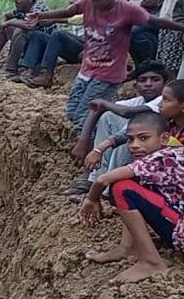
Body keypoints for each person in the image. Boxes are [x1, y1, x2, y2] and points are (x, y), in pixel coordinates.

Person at [25, 0, 184, 132]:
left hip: (108, 73)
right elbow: (69, 11)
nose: (93, 4)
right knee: (72, 110)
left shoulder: (128, 10)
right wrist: (41, 16)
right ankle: (94, 133)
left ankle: (89, 148)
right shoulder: (88, 1)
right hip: (86, 69)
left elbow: (159, 22)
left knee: (83, 116)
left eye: (98, 0)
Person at [80, 112, 184, 284]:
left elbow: (103, 179)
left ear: (164, 138)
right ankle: (127, 247)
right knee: (130, 182)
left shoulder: (160, 158)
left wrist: (91, 199)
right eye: (130, 140)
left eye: (143, 138)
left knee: (121, 189)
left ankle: (151, 262)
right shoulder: (171, 152)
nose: (134, 145)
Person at [67, 61, 167, 202]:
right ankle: (95, 177)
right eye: (143, 80)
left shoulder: (163, 101)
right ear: (136, 85)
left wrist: (103, 103)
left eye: (155, 79)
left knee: (129, 137)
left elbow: (126, 112)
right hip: (142, 149)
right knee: (109, 117)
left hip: (161, 151)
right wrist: (83, 141)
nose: (148, 84)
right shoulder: (139, 101)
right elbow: (98, 109)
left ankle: (106, 191)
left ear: (165, 84)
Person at [13, 0, 88, 83]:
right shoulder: (77, 12)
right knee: (38, 35)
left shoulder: (91, 12)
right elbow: (69, 16)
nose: (71, 1)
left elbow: (74, 18)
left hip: (84, 51)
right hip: (76, 47)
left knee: (58, 34)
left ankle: (47, 76)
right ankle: (29, 70)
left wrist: (52, 19)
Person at [130, 0, 169, 64]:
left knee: (141, 36)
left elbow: (132, 30)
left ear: (159, 2)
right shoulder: (140, 5)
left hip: (151, 49)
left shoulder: (158, 17)